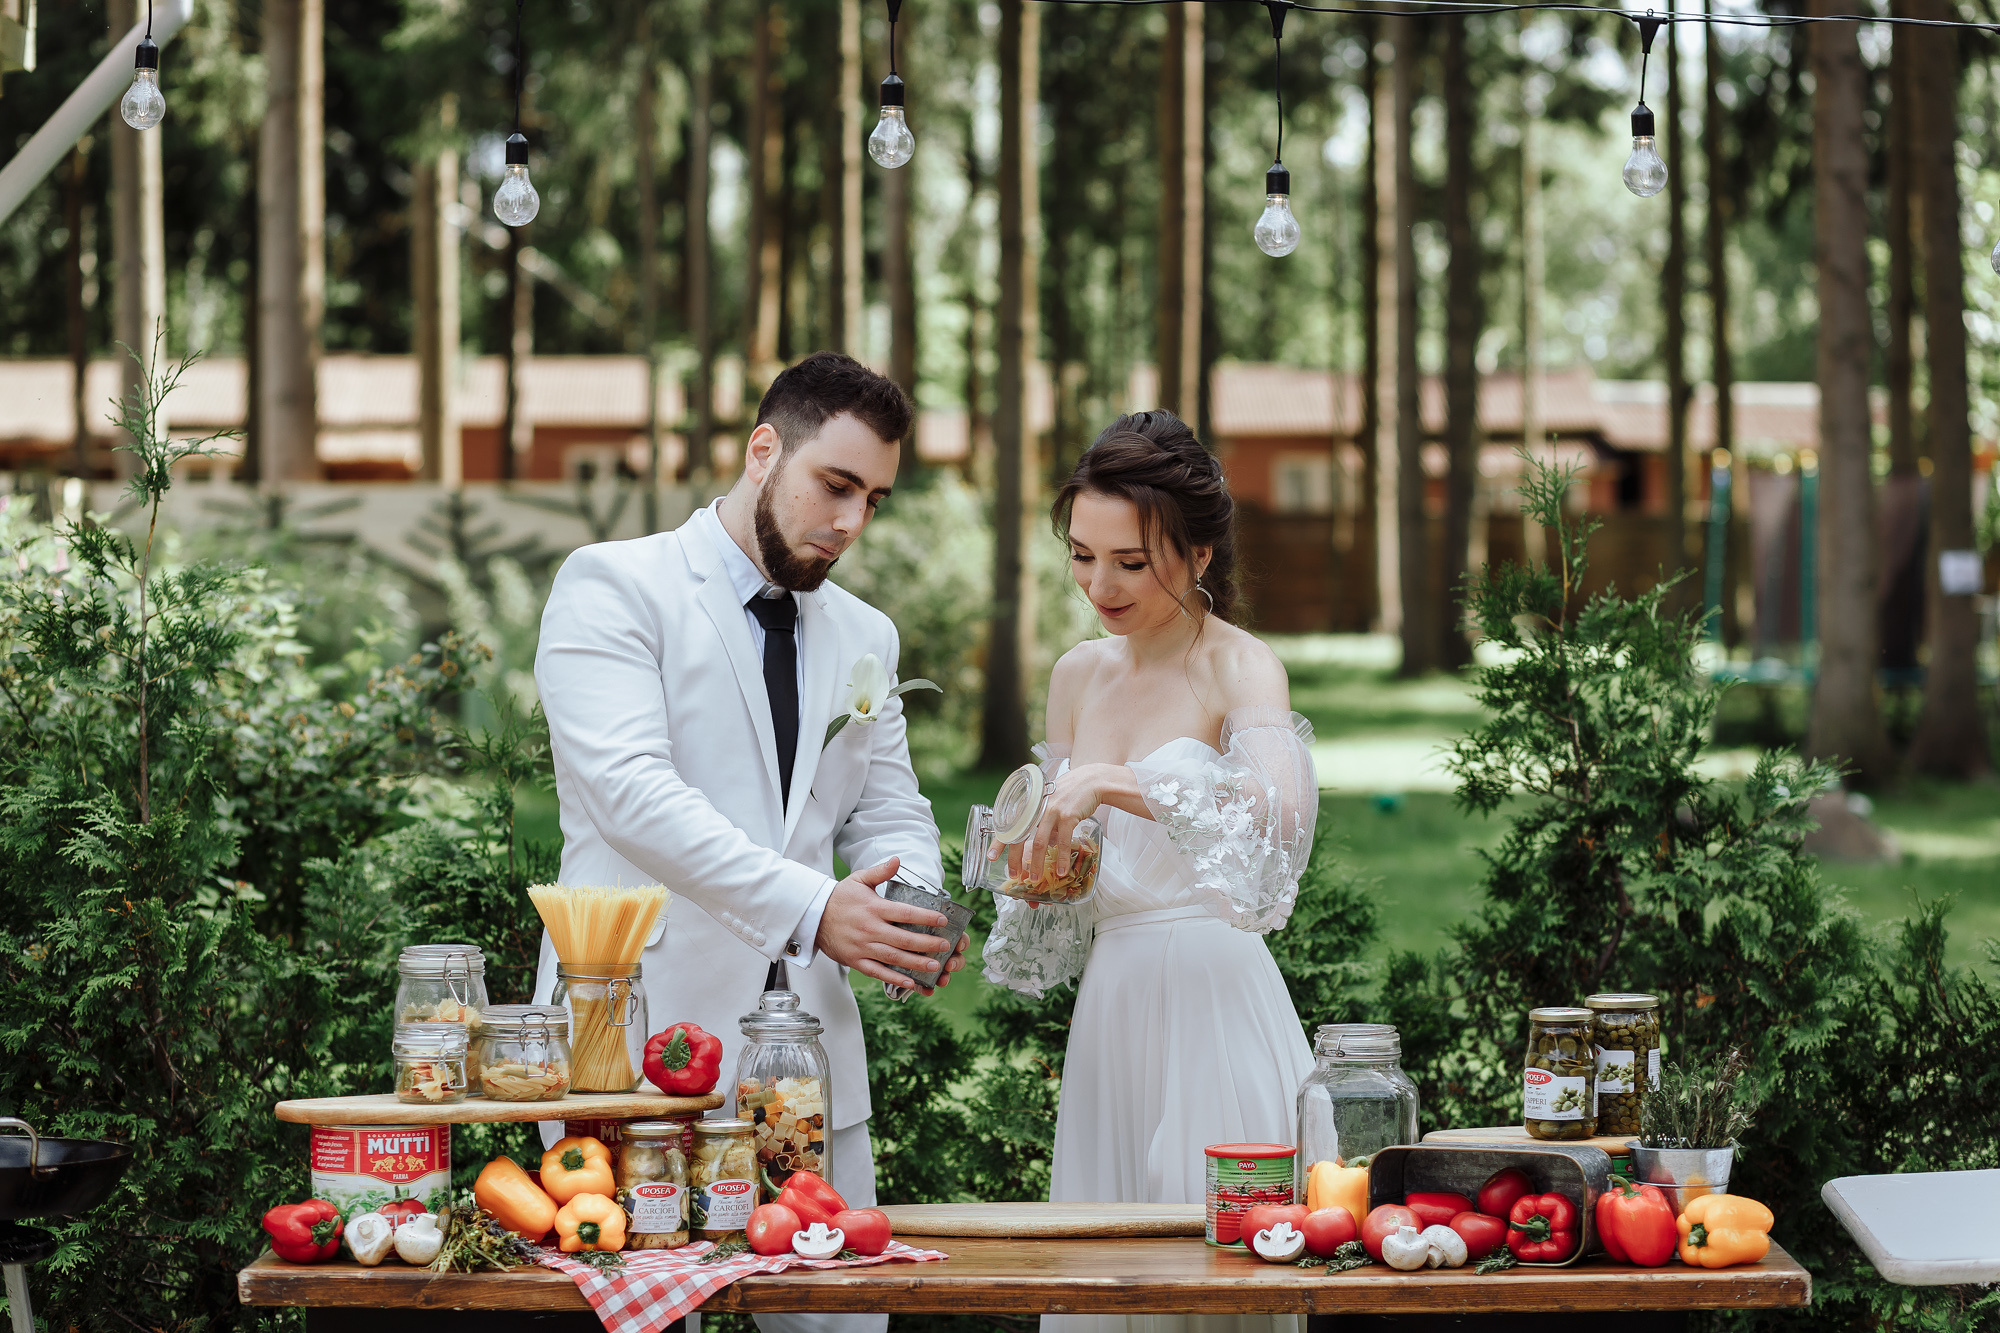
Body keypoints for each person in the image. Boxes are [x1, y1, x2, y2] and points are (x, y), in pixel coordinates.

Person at [533, 352, 965, 1333]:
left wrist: (911, 910)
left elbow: (890, 812)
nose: (851, 522)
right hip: (633, 1047)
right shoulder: (613, 586)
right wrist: (818, 909)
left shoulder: (867, 636)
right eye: (836, 485)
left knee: (839, 1323)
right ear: (762, 450)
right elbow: (630, 795)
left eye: (874, 499)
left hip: (803, 1057)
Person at [983, 411, 1320, 1333]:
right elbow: (1073, 867)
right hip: (1114, 1003)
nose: (1102, 584)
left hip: (1213, 1000)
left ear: (1200, 552)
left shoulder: (1239, 666)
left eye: (1131, 562)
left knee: (1215, 1286)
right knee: (1105, 1278)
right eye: (1085, 557)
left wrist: (1122, 783)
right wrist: (1040, 859)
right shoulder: (1077, 675)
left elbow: (1280, 814)